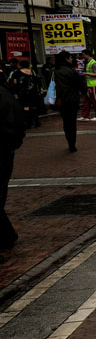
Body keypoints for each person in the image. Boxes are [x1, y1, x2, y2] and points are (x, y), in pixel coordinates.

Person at [0, 81, 24, 258]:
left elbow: (13, 122)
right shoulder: (4, 93)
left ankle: (6, 235)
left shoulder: (3, 96)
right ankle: (7, 235)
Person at [52, 51, 84, 152]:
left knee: (66, 122)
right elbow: (80, 84)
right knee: (72, 122)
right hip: (72, 99)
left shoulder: (54, 71)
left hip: (61, 100)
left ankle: (69, 140)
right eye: (70, 57)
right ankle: (72, 143)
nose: (71, 59)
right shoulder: (72, 71)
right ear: (66, 59)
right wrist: (85, 92)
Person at [7, 60, 41, 129]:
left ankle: (28, 123)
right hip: (33, 92)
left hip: (23, 93)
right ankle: (36, 121)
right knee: (33, 107)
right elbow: (36, 82)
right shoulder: (32, 72)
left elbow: (15, 83)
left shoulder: (16, 73)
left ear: (20, 65)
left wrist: (15, 92)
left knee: (25, 107)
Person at [79, 49, 96, 120]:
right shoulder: (88, 63)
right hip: (89, 84)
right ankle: (85, 115)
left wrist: (86, 73)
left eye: (83, 54)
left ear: (87, 55)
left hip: (94, 84)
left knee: (95, 100)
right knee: (87, 100)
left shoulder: (93, 63)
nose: (82, 56)